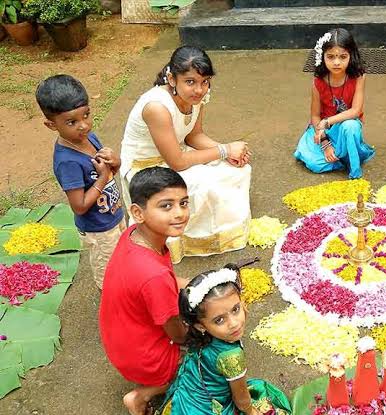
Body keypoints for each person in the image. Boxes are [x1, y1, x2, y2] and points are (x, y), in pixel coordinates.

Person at [119, 45, 252, 264]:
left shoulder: (199, 97)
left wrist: (226, 152)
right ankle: (184, 240)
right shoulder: (157, 107)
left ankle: (215, 232)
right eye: (190, 82)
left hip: (176, 154)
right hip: (146, 168)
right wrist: (224, 150)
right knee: (204, 185)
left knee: (237, 170)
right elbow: (178, 162)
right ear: (172, 79)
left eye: (204, 81)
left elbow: (193, 136)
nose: (199, 90)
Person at [99, 167, 189, 415]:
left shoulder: (133, 235)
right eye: (166, 206)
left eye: (183, 203)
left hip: (121, 341)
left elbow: (167, 280)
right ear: (138, 212)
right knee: (213, 352)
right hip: (144, 358)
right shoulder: (153, 276)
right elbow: (178, 335)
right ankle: (142, 395)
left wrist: (200, 284)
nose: (180, 213)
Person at [156, 265, 292, 415]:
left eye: (235, 309)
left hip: (185, 401)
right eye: (219, 320)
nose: (233, 323)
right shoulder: (232, 356)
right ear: (201, 326)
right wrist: (252, 411)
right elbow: (242, 401)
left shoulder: (200, 338)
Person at [37, 75, 125, 290]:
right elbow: (79, 205)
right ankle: (112, 306)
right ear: (51, 125)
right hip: (99, 228)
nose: (83, 125)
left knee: (122, 262)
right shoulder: (67, 162)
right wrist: (103, 177)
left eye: (86, 115)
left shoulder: (89, 138)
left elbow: (110, 170)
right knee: (108, 275)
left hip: (114, 215)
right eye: (72, 122)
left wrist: (116, 162)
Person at [293, 28, 375, 179]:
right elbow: (315, 116)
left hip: (347, 127)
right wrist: (324, 142)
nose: (336, 62)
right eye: (330, 57)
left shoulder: (358, 77)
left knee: (350, 126)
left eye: (343, 57)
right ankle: (343, 155)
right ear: (322, 57)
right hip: (324, 130)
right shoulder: (318, 81)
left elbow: (355, 111)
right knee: (315, 163)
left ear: (351, 56)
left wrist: (327, 121)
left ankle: (353, 168)